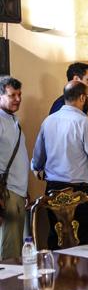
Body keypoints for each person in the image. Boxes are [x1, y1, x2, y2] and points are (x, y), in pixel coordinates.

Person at [31, 81, 88, 198]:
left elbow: (39, 153)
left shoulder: (48, 120)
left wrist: (36, 167)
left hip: (53, 188)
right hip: (78, 189)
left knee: (56, 217)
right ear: (82, 97)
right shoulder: (84, 122)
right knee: (82, 217)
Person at [0, 76, 28, 260]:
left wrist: (25, 190)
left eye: (19, 94)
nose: (18, 99)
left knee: (16, 246)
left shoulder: (12, 120)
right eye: (12, 95)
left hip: (17, 191)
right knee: (10, 251)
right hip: (6, 193)